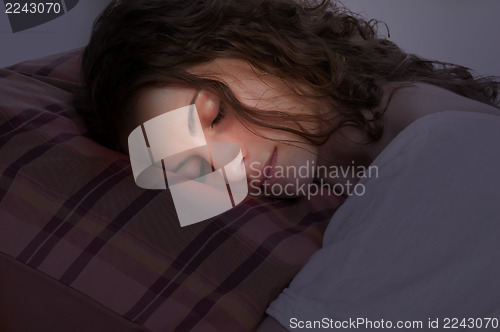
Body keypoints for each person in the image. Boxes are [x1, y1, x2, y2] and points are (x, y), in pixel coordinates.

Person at [74, 0, 500, 330]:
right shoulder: (361, 172)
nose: (230, 167)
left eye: (217, 114)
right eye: (192, 168)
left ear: (261, 43)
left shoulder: (444, 151)